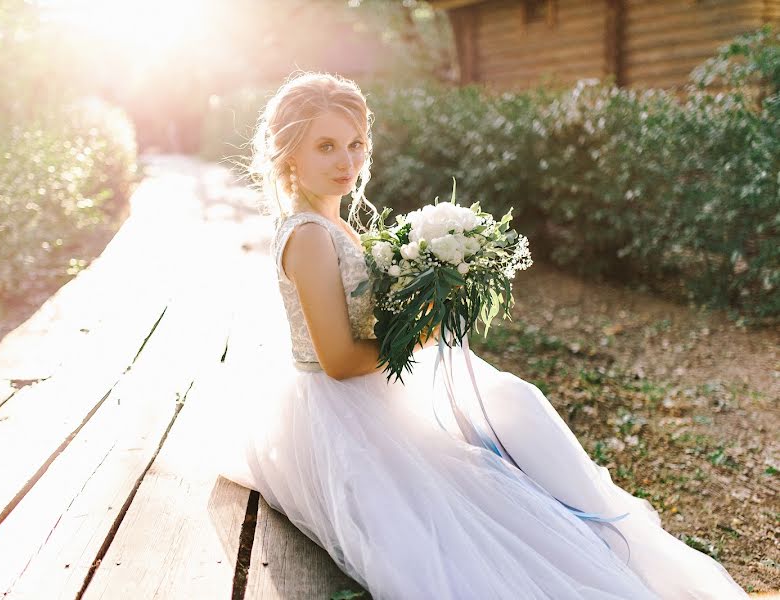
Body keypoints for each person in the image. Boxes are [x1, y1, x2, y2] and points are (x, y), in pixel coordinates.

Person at [186, 71, 750, 599]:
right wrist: (423, 335)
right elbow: (335, 359)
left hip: (369, 393)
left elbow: (364, 318)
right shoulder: (309, 236)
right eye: (326, 146)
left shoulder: (335, 224)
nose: (347, 161)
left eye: (355, 143)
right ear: (289, 155)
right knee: (464, 517)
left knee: (511, 415)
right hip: (337, 411)